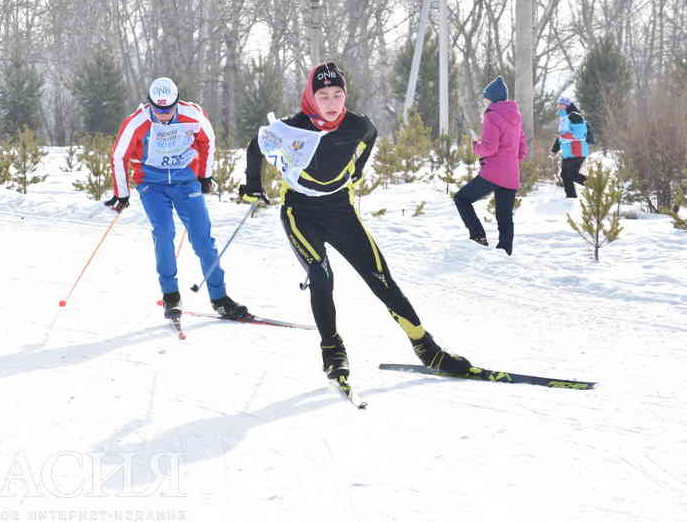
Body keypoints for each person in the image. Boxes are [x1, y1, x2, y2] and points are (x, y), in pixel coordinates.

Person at [238, 62, 471, 381]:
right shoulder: (292, 127)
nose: (332, 103)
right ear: (311, 96)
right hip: (299, 212)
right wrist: (253, 186)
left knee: (381, 279)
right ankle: (332, 351)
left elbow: (371, 136)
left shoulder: (357, 126)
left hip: (340, 210)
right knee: (321, 276)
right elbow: (257, 145)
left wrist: (357, 170)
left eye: (338, 94)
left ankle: (427, 349)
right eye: (323, 96)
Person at [105, 77, 249, 320]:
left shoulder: (192, 116)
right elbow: (119, 156)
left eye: (168, 109)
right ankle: (171, 296)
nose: (163, 115)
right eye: (158, 110)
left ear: (176, 103)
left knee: (203, 239)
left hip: (185, 181)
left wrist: (205, 176)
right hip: (152, 183)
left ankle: (220, 298)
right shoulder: (137, 121)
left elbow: (208, 141)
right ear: (149, 103)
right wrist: (122, 192)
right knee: (163, 232)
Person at [453, 76, 528, 256]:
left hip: (493, 172)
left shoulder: (492, 115)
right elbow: (522, 147)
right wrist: (510, 161)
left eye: (485, 97)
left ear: (492, 98)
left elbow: (489, 148)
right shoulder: (516, 116)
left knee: (461, 199)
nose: (484, 101)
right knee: (505, 216)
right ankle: (505, 251)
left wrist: (475, 146)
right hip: (511, 174)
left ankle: (478, 236)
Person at [551, 96, 589, 198]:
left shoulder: (575, 116)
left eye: (561, 104)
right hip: (568, 151)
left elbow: (579, 134)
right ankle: (571, 197)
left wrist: (564, 136)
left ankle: (596, 185)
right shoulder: (563, 118)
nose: (558, 106)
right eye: (558, 104)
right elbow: (561, 136)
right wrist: (554, 150)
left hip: (577, 150)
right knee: (564, 175)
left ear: (567, 105)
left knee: (572, 175)